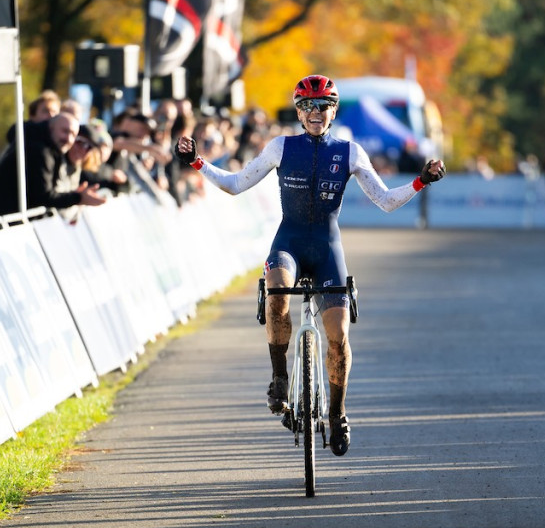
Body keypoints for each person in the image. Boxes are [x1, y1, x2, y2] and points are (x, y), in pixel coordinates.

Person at [175, 74, 445, 456]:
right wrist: (196, 162)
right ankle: (280, 378)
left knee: (338, 338)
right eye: (306, 106)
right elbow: (236, 184)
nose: (315, 113)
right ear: (299, 113)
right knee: (277, 291)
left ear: (333, 111)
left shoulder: (350, 152)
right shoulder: (280, 147)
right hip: (290, 242)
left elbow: (384, 201)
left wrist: (421, 181)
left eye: (322, 106)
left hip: (327, 247)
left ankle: (337, 414)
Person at [0, 112, 107, 217]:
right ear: (51, 128)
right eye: (65, 131)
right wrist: (78, 197)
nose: (69, 139)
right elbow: (44, 196)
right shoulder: (41, 151)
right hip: (0, 221)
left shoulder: (52, 151)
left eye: (73, 135)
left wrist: (77, 196)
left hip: (6, 219)